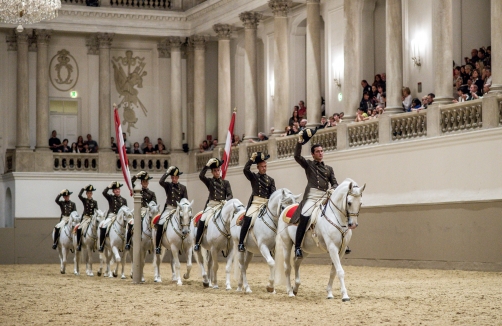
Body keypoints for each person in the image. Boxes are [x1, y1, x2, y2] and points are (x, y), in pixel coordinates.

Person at [291, 129, 338, 258]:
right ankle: (298, 247)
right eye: (317, 151)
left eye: (321, 151)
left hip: (325, 197)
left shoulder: (329, 169)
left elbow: (335, 183)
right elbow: (297, 156)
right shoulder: (309, 165)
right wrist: (299, 143)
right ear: (313, 154)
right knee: (305, 215)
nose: (320, 153)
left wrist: (333, 188)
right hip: (312, 197)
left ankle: (341, 242)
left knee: (337, 214)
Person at [238, 152, 276, 252]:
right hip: (256, 203)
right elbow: (245, 170)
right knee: (248, 217)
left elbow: (273, 193)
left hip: (267, 203)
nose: (264, 168)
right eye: (262, 167)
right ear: (258, 167)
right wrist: (251, 159)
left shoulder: (271, 180)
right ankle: (241, 242)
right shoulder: (254, 177)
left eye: (265, 166)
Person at [194, 158, 233, 251]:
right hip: (211, 206)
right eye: (215, 171)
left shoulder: (226, 183)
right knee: (202, 219)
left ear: (220, 170)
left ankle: (232, 240)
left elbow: (230, 195)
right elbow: (201, 176)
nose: (217, 172)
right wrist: (207, 166)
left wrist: (226, 201)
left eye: (218, 170)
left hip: (222, 205)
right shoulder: (210, 182)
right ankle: (197, 242)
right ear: (212, 172)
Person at [156, 166, 188, 254]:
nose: (174, 179)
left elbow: (185, 200)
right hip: (169, 209)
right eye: (172, 177)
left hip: (178, 209)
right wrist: (167, 172)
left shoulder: (183, 188)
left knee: (185, 222)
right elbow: (160, 181)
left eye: (175, 177)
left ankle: (183, 244)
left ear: (178, 177)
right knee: (161, 223)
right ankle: (158, 246)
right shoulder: (168, 185)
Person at [125, 171, 157, 250]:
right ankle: (128, 242)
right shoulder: (137, 191)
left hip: (149, 211)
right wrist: (136, 176)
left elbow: (154, 203)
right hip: (140, 211)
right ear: (141, 182)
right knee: (131, 224)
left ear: (148, 183)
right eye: (143, 181)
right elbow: (130, 183)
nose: (145, 183)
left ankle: (157, 243)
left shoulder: (152, 193)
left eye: (146, 181)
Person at [99, 181, 128, 252]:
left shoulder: (124, 200)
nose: (117, 190)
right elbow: (104, 193)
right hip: (111, 216)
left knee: (127, 227)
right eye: (115, 189)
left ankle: (127, 243)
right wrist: (109, 186)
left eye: (118, 189)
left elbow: (126, 210)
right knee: (103, 226)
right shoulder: (111, 198)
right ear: (113, 191)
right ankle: (101, 245)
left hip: (120, 217)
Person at [76, 185, 98, 251]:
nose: (89, 194)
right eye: (88, 193)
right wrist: (83, 188)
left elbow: (96, 210)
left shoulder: (95, 202)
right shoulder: (84, 200)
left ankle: (96, 243)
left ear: (92, 194)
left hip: (91, 218)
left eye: (90, 193)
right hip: (85, 218)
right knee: (79, 228)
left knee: (96, 228)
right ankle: (79, 244)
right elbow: (79, 195)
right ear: (86, 194)